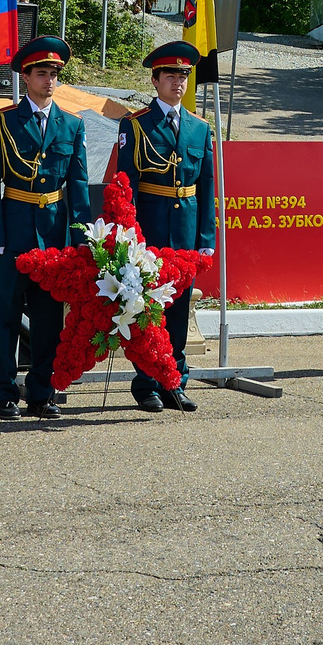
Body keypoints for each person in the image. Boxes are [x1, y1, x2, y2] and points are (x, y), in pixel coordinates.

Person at [0, 36, 93, 420]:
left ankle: (42, 392)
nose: (49, 80)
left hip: (55, 234)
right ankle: (5, 393)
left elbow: (77, 187)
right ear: (25, 76)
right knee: (6, 316)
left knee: (48, 320)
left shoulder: (72, 125)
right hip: (13, 231)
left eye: (55, 74)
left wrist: (81, 240)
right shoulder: (3, 121)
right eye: (42, 73)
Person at [110, 40, 217, 414]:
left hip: (185, 231)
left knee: (178, 310)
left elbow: (206, 187)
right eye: (170, 75)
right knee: (145, 310)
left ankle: (176, 382)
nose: (178, 82)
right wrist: (128, 238)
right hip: (150, 230)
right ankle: (146, 385)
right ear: (155, 80)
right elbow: (127, 185)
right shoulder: (136, 125)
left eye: (184, 76)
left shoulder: (199, 129)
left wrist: (206, 238)